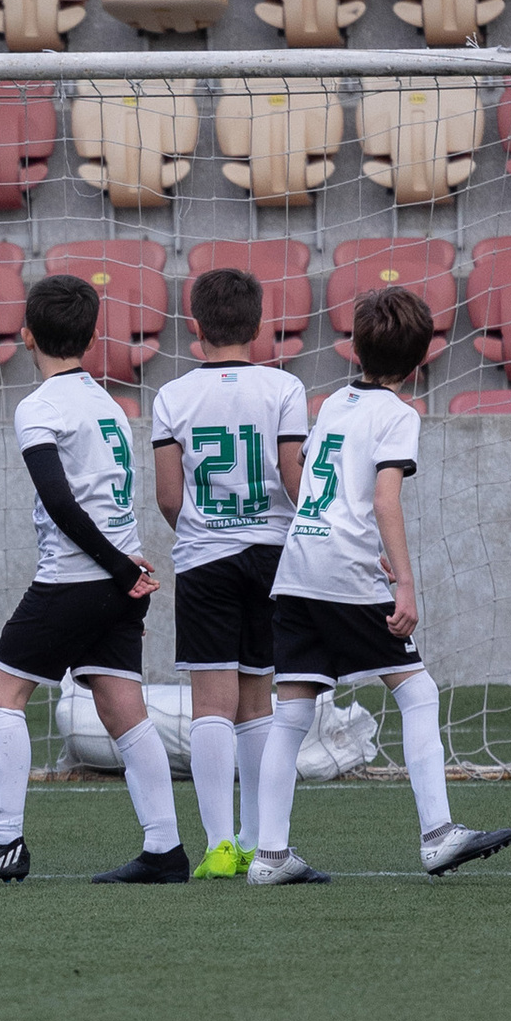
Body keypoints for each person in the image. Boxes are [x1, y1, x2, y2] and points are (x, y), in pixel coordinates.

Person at [247, 285, 511, 890]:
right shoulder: (399, 414)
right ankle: (439, 833)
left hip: (298, 565)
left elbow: (328, 487)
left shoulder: (335, 402)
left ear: (354, 350)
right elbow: (385, 499)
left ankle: (269, 854)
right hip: (343, 568)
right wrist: (407, 585)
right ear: (422, 360)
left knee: (291, 712)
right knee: (417, 692)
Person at [0, 272, 184, 887]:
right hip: (121, 575)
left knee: (1, 693)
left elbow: (64, 504)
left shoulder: (39, 407)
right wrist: (126, 567)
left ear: (25, 336)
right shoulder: (108, 404)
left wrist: (119, 568)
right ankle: (165, 849)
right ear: (94, 337)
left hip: (82, 577)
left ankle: (3, 843)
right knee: (122, 706)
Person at [148, 264, 312, 881]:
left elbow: (168, 496)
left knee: (210, 702)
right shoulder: (284, 389)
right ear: (261, 325)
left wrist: (200, 530)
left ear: (195, 327)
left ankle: (219, 846)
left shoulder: (172, 396)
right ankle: (259, 840)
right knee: (259, 699)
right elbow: (295, 481)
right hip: (273, 554)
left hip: (204, 559)